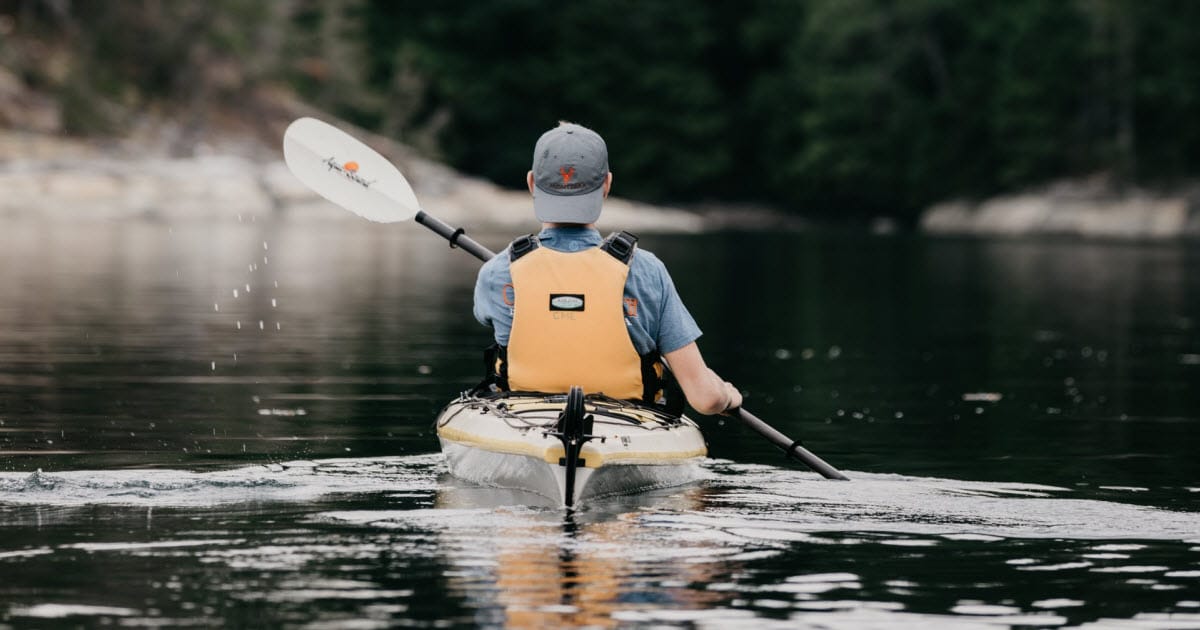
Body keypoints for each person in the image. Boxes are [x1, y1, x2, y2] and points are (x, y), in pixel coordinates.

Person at [473, 122, 742, 416]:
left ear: (531, 184)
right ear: (606, 185)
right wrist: (727, 396)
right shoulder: (647, 271)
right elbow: (706, 400)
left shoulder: (497, 272)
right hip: (627, 425)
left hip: (522, 422)